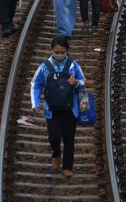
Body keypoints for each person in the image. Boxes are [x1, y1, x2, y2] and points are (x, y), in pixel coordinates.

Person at [30, 36, 86, 178]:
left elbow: (83, 82)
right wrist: (35, 104)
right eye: (57, 51)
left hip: (70, 108)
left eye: (62, 52)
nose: (59, 54)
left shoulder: (73, 65)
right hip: (52, 109)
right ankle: (56, 154)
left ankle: (67, 166)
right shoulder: (44, 66)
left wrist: (76, 83)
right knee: (54, 136)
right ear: (52, 50)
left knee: (68, 137)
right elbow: (36, 85)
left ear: (67, 51)